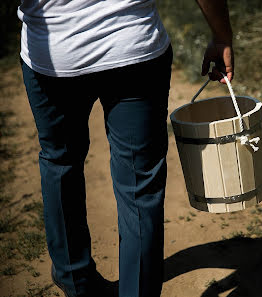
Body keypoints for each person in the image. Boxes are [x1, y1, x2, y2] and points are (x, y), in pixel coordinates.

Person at [17, 1, 234, 296]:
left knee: (60, 162)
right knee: (139, 185)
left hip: (54, 53)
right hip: (132, 48)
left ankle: (73, 278)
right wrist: (221, 36)